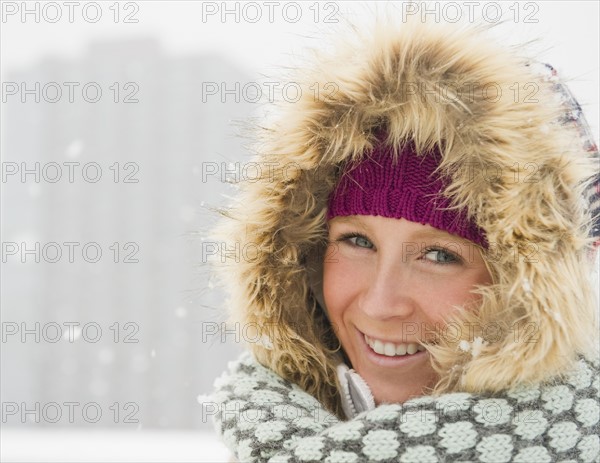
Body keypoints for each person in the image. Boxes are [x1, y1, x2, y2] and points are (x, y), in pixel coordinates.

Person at [205, 14, 600, 463]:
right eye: (357, 241)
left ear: (528, 289)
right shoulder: (266, 427)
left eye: (438, 254)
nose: (379, 303)